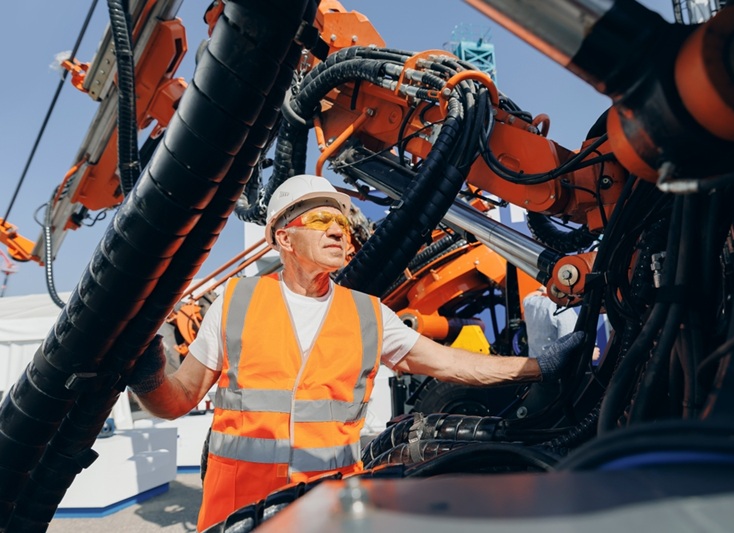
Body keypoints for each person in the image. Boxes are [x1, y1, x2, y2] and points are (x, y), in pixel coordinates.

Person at [128, 174, 585, 531]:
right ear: (284, 239)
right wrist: (147, 372)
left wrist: (539, 366)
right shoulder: (235, 303)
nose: (338, 231)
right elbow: (178, 400)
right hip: (239, 517)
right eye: (321, 221)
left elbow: (453, 363)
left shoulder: (369, 314)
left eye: (342, 222)